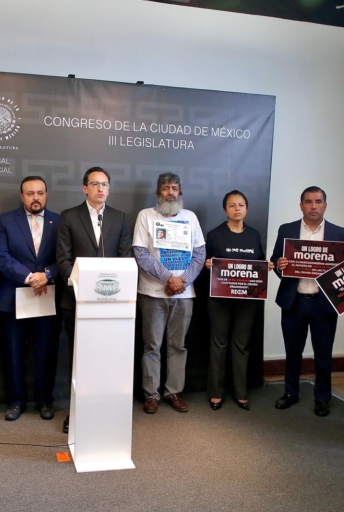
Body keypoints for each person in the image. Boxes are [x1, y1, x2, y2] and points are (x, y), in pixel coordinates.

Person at [57, 166, 132, 433]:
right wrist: (83, 287)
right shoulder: (69, 216)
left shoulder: (119, 218)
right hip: (78, 301)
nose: (101, 189)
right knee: (79, 359)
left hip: (111, 304)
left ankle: (104, 409)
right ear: (84, 188)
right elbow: (63, 259)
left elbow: (125, 258)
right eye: (95, 184)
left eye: (105, 185)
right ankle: (77, 411)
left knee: (107, 359)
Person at [270, 186, 344, 417]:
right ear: (301, 205)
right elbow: (275, 259)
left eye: (318, 201)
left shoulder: (339, 233)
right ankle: (290, 392)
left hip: (323, 303)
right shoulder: (287, 229)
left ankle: (322, 397)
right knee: (292, 351)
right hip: (294, 300)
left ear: (325, 205)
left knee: (323, 353)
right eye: (308, 202)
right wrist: (280, 265)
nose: (313, 206)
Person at [133, 172, 205, 414]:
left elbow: (200, 254)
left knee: (178, 345)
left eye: (174, 188)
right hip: (153, 294)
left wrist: (182, 281)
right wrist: (168, 278)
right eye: (165, 188)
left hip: (183, 294)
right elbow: (141, 254)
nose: (170, 192)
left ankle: (173, 392)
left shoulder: (190, 217)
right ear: (157, 193)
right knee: (152, 346)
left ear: (180, 192)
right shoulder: (145, 216)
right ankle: (151, 395)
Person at [0, 176, 61, 422]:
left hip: (47, 297)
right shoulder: (6, 220)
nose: (36, 198)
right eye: (30, 193)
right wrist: (30, 277)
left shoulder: (59, 221)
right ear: (22, 196)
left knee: (46, 352)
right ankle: (16, 401)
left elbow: (66, 256)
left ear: (46, 194)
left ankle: (44, 401)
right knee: (13, 353)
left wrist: (48, 274)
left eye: (40, 193)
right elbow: (0, 256)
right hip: (13, 298)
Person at [204, 190, 273, 411]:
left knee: (241, 345)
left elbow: (259, 263)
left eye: (241, 205)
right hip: (219, 300)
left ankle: (241, 392)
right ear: (225, 210)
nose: (237, 209)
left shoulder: (254, 235)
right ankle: (216, 393)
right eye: (232, 205)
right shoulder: (214, 235)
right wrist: (207, 265)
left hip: (247, 300)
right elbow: (205, 263)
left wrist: (267, 267)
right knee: (219, 344)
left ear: (247, 209)